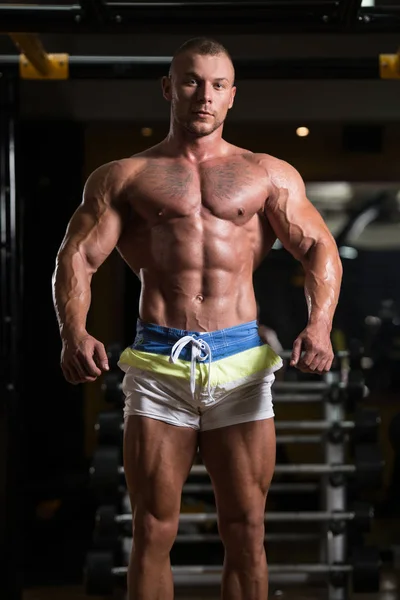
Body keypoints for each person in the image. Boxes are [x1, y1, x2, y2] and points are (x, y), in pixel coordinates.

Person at [52, 37, 343, 600]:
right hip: (160, 363)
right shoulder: (125, 176)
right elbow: (77, 257)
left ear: (233, 95)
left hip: (241, 364)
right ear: (168, 88)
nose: (203, 96)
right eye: (190, 81)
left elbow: (319, 249)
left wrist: (321, 324)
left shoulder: (266, 174)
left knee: (246, 530)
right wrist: (73, 332)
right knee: (153, 531)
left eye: (216, 85)